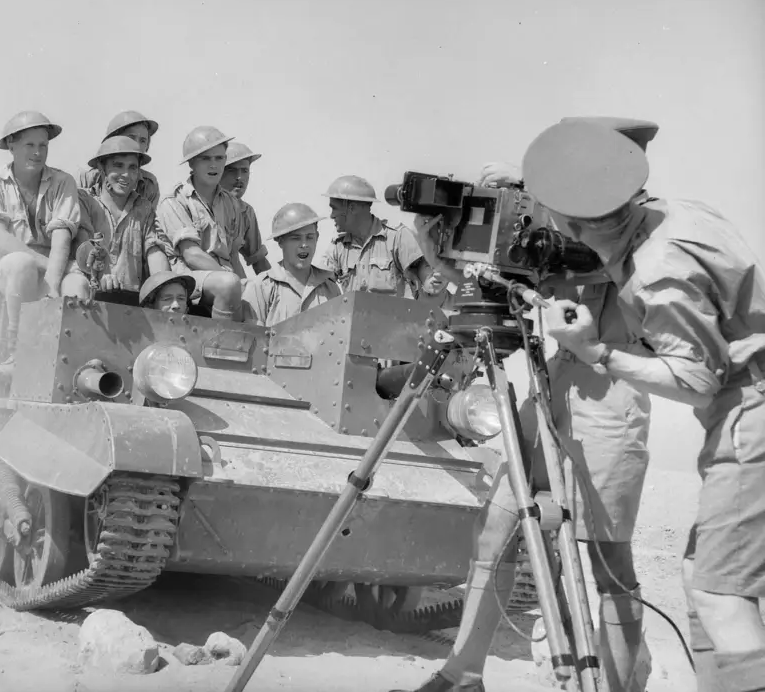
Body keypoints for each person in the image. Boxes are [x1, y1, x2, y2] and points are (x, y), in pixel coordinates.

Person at [393, 121, 656, 692]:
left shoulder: (644, 228)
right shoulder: (567, 221)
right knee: (496, 529)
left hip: (611, 399)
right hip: (553, 384)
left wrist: (535, 206)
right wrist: (442, 241)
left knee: (609, 563)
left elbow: (602, 265)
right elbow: (497, 282)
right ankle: (463, 674)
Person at [518, 119, 765, 692]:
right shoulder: (681, 214)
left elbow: (696, 381)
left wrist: (596, 352)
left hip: (749, 412)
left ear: (571, 225)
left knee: (721, 594)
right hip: (748, 404)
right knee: (700, 571)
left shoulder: (657, 271)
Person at [0, 111, 85, 378]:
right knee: (20, 264)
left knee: (78, 284)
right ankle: (16, 353)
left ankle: (73, 364)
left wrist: (53, 281)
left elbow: (62, 237)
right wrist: (50, 270)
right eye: (29, 145)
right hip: (10, 270)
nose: (37, 153)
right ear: (11, 145)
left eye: (43, 145)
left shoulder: (63, 182)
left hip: (53, 267)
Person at [154, 126, 246, 321]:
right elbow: (192, 255)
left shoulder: (231, 204)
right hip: (187, 279)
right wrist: (234, 282)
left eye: (219, 158)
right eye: (206, 159)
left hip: (223, 279)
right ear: (192, 163)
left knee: (258, 293)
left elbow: (233, 256)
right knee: (229, 284)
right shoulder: (175, 201)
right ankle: (224, 338)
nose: (214, 165)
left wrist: (246, 287)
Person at [75, 136, 171, 294]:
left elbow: (154, 251)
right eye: (118, 166)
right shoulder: (84, 200)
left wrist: (165, 286)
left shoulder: (144, 208)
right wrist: (101, 275)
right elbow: (83, 242)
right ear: (101, 167)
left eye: (132, 167)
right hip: (90, 298)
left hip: (129, 301)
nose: (126, 174)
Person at [320, 174, 440, 300]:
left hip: (395, 313)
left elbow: (428, 285)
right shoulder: (338, 246)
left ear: (352, 208)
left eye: (334, 208)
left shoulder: (397, 237)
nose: (332, 215)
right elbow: (319, 284)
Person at [243, 202, 340, 327]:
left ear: (317, 237)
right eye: (296, 238)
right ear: (280, 241)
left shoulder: (329, 287)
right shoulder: (262, 287)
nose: (304, 244)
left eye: (309, 237)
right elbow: (253, 335)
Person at [78, 110, 162, 208]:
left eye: (143, 141)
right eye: (131, 138)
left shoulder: (148, 185)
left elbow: (148, 216)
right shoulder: (86, 179)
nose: (137, 145)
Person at [220, 141, 271, 276]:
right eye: (231, 170)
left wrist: (277, 285)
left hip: (237, 281)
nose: (239, 178)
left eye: (245, 171)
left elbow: (258, 260)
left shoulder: (246, 212)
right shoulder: (200, 205)